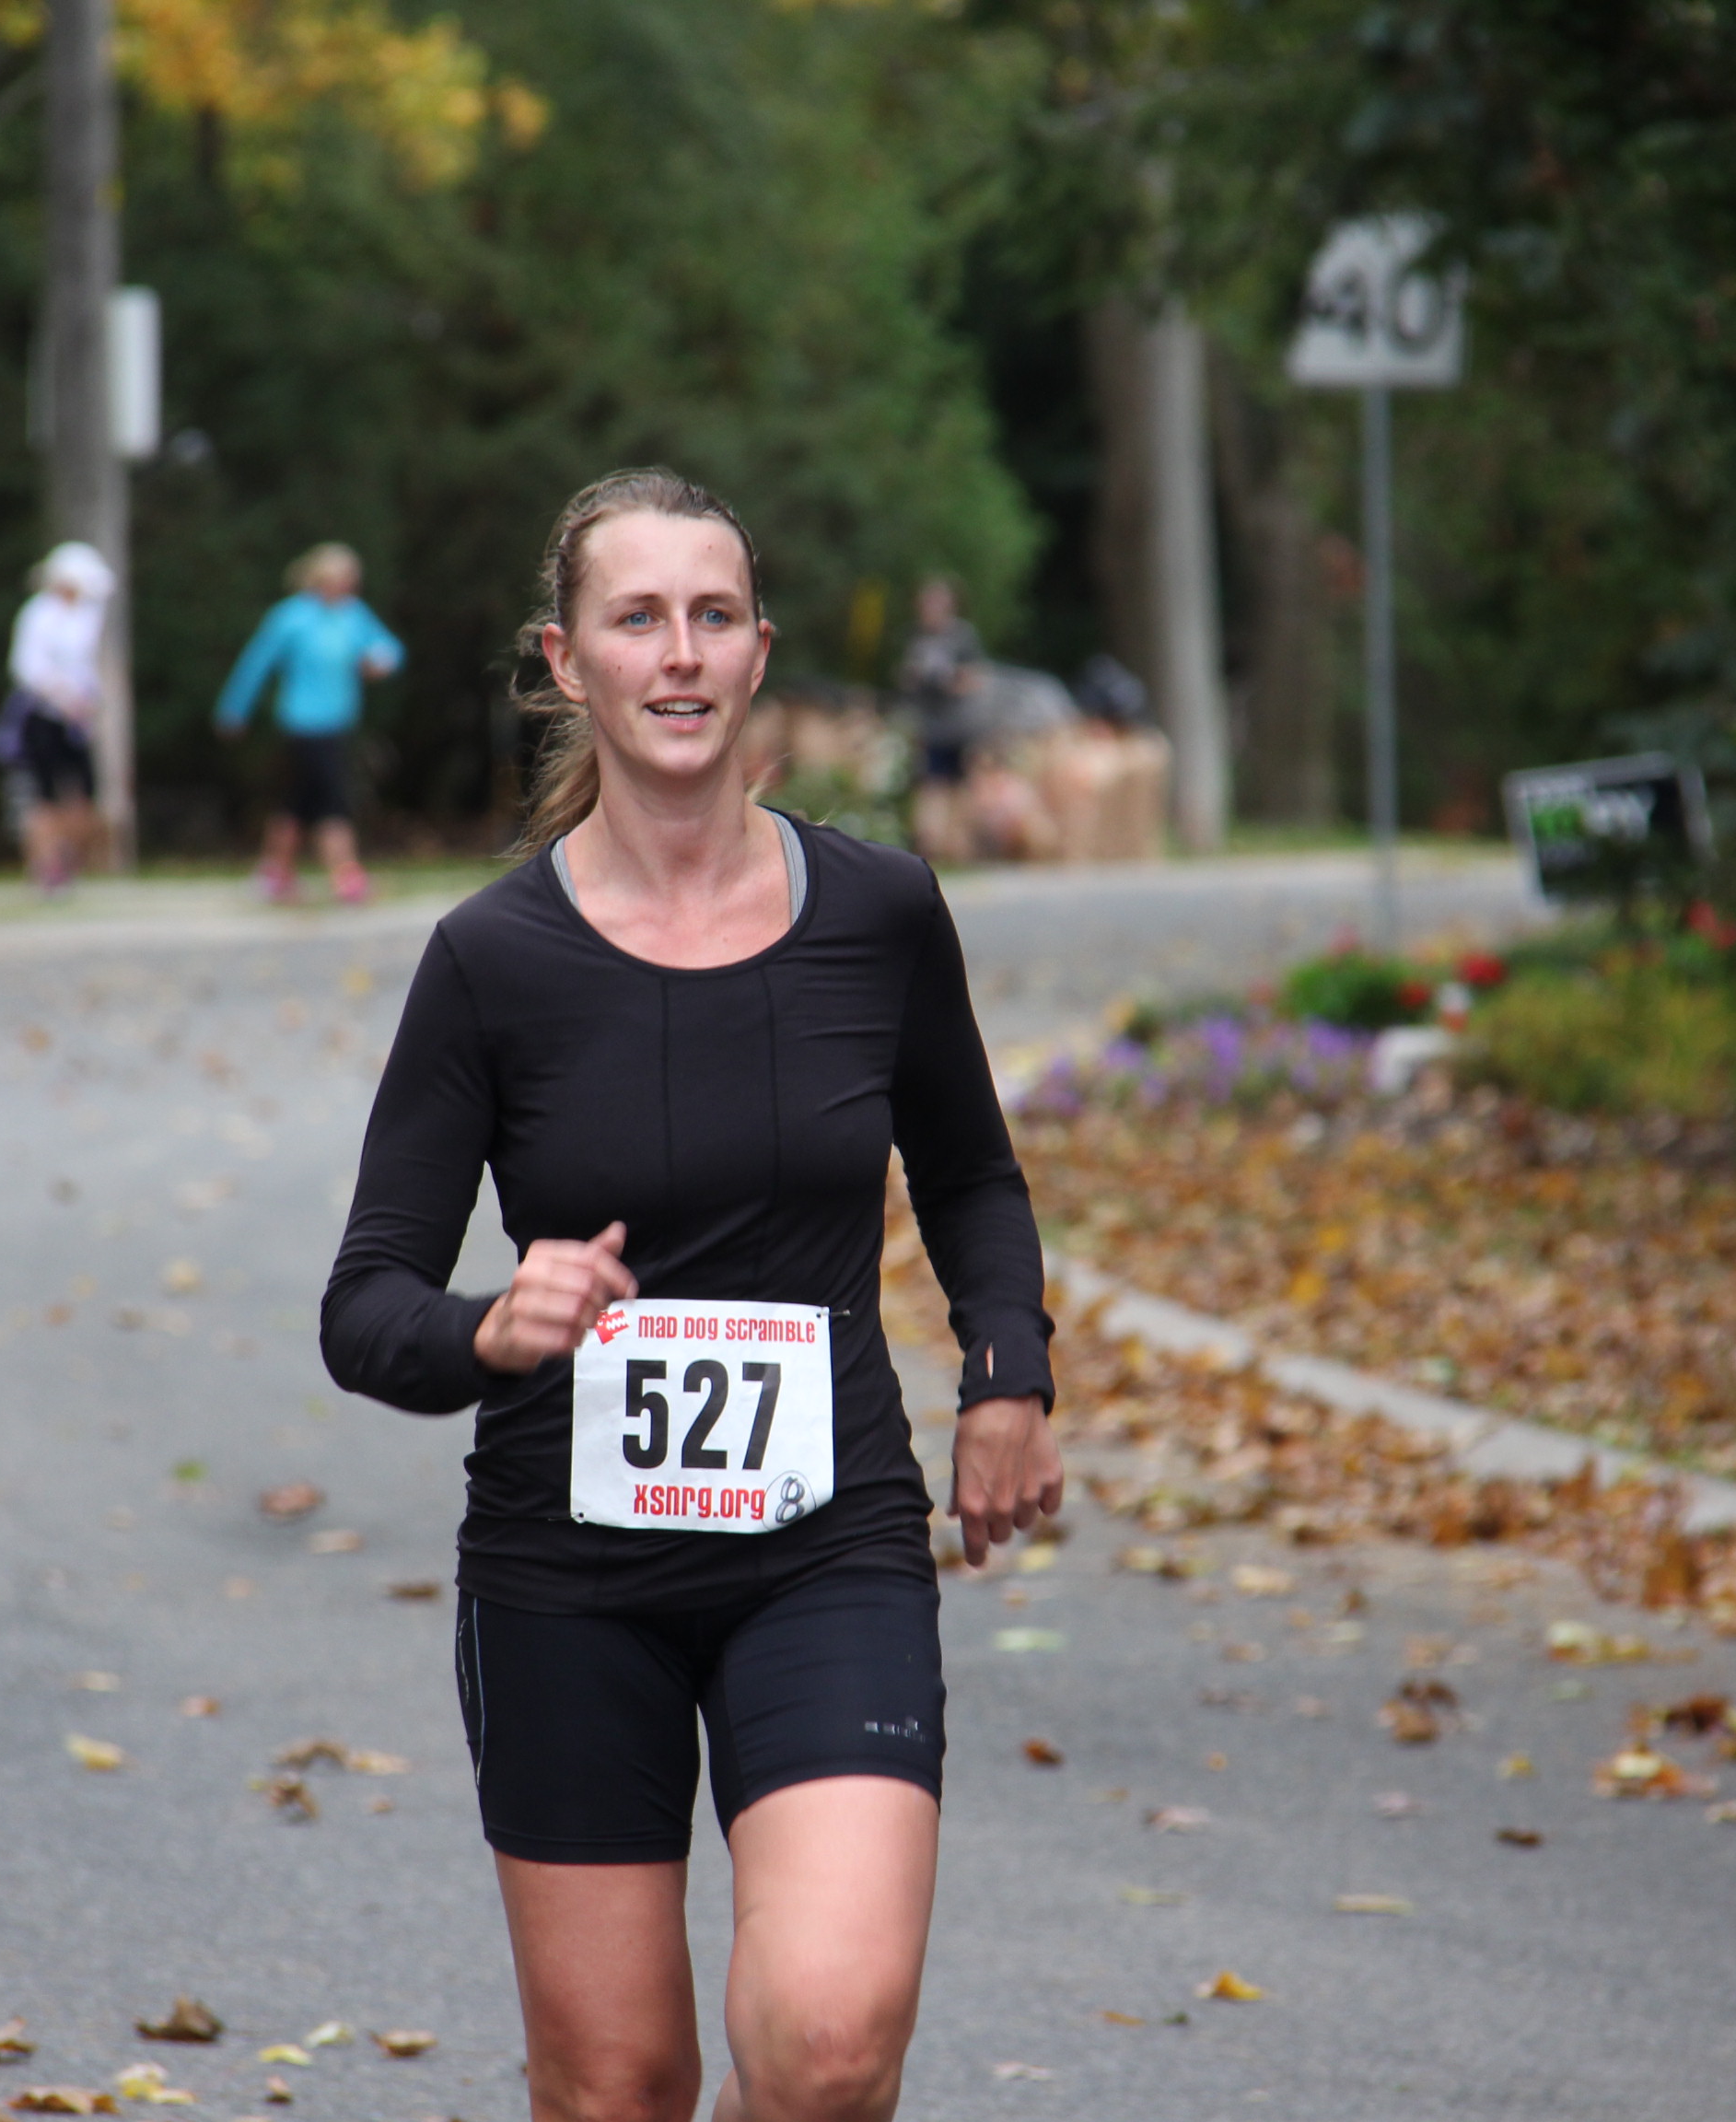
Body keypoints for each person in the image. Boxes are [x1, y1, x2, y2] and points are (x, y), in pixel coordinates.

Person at [320, 469, 1062, 2122]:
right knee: (618, 2086)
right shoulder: (491, 962)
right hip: (568, 1578)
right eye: (638, 618)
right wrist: (489, 1326)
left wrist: (1007, 1374)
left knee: (829, 2044)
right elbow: (364, 1303)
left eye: (713, 616)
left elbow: (972, 1175)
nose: (679, 653)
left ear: (757, 651)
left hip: (826, 1546)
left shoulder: (878, 913)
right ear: (566, 660)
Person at [213, 542, 402, 904]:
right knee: (333, 799)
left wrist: (380, 662)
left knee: (298, 802)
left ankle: (274, 874)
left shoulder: (352, 615)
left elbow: (390, 649)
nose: (348, 587)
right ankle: (346, 875)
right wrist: (234, 710)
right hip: (303, 725)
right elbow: (256, 664)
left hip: (338, 724)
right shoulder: (291, 617)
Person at [0, 542, 112, 892]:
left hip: (74, 721)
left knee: (84, 792)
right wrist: (63, 696)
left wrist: (89, 699)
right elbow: (27, 667)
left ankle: (67, 860)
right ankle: (46, 867)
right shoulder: (38, 613)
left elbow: (85, 667)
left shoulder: (87, 615)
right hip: (41, 717)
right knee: (42, 795)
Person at [895, 576, 985, 868]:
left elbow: (974, 678)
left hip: (957, 725)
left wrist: (948, 680)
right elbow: (907, 678)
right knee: (931, 785)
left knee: (959, 787)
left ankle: (958, 847)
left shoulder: (962, 636)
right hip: (929, 726)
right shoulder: (916, 637)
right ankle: (930, 845)